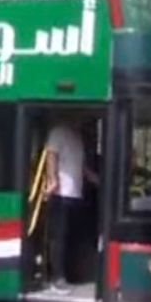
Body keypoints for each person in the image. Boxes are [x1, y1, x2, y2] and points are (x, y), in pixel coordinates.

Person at [41, 114, 94, 290]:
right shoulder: (58, 132)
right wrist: (53, 180)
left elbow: (79, 165)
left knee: (71, 238)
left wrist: (95, 179)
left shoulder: (77, 136)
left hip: (75, 195)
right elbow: (51, 155)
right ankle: (56, 278)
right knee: (59, 237)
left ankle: (69, 274)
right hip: (61, 194)